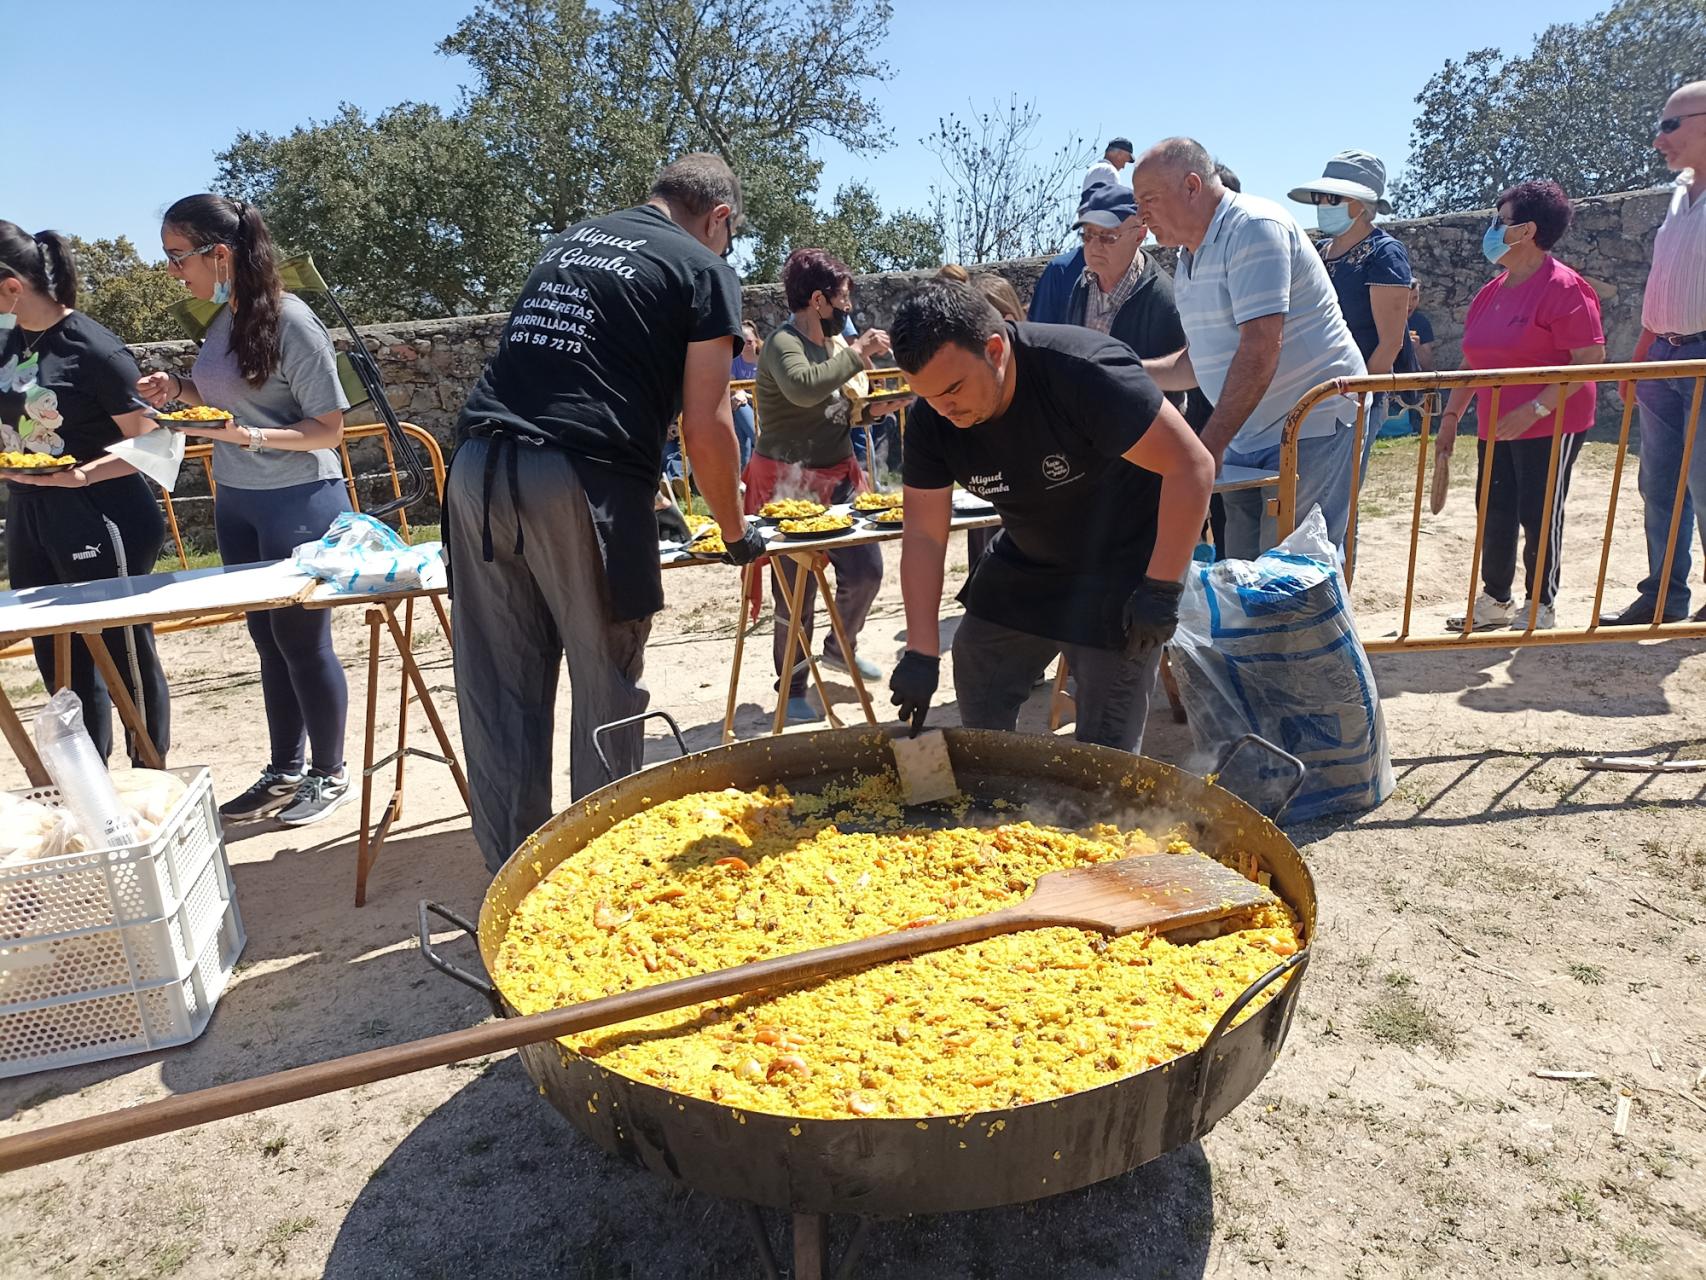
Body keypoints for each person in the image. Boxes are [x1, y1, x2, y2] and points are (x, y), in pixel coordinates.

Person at [446, 153, 762, 874]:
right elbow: (708, 424)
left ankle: (514, 887)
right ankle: (596, 888)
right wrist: (735, 531)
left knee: (498, 690)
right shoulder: (702, 268)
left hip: (475, 468)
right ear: (719, 217)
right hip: (580, 479)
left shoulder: (571, 242)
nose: (727, 248)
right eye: (731, 235)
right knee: (605, 687)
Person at [885, 281, 1214, 751]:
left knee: (1103, 751)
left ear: (994, 350)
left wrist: (1161, 589)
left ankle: (1097, 815)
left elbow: (1193, 466)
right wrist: (919, 651)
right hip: (1031, 551)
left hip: (1125, 560)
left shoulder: (1084, 372)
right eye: (928, 395)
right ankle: (998, 793)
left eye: (953, 389)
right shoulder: (932, 419)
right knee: (977, 654)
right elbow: (923, 535)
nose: (944, 408)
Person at [136, 195, 352, 825]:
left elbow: (327, 430)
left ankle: (328, 774)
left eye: (179, 257)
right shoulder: (225, 318)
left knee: (303, 641)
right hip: (238, 501)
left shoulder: (294, 320)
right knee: (266, 640)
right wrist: (178, 389)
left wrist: (245, 437)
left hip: (299, 499)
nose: (174, 271)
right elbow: (227, 394)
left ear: (220, 254)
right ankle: (285, 770)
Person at [1132, 137, 1365, 559]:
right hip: (1245, 432)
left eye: (1149, 198)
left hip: (1311, 422)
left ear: (1191, 186)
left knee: (1297, 570)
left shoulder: (1254, 227)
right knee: (1242, 570)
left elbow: (1259, 348)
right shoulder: (1190, 256)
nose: (1141, 214)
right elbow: (1201, 360)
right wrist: (1132, 371)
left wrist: (1210, 444)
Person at [0, 223, 170, 763]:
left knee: (121, 655)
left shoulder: (93, 348)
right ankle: (91, 788)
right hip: (30, 513)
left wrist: (82, 476)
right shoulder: (7, 341)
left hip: (103, 512)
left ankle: (150, 775)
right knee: (59, 657)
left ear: (10, 287)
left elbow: (153, 443)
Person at [1435, 181, 1605, 632]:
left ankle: (1541, 603)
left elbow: (1589, 359)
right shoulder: (1491, 292)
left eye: (1499, 219)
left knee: (1540, 511)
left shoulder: (1565, 287)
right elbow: (1471, 360)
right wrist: (1450, 417)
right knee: (1494, 509)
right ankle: (1495, 599)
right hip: (1495, 423)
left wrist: (1537, 408)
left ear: (1526, 230)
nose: (1491, 228)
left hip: (1553, 421)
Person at [748, 248, 890, 723]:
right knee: (795, 593)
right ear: (817, 300)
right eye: (842, 299)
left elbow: (839, 407)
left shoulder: (833, 348)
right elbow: (805, 388)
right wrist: (856, 354)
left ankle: (838, 647)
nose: (848, 308)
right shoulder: (782, 345)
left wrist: (882, 409)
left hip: (839, 479)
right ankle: (792, 688)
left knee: (866, 570)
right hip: (787, 485)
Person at [1603, 79, 1706, 626]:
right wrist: (1641, 356)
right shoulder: (1678, 195)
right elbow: (1662, 282)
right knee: (1659, 484)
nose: (1658, 139)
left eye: (1671, 125)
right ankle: (1663, 594)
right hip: (1664, 354)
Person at [1288, 150, 1416, 467]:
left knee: (1339, 495)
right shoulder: (1320, 251)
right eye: (1318, 197)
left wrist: (1360, 398)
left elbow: (1390, 342)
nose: (1320, 205)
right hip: (1317, 391)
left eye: (1330, 198)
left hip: (1356, 396)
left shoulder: (1384, 253)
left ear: (1359, 204)